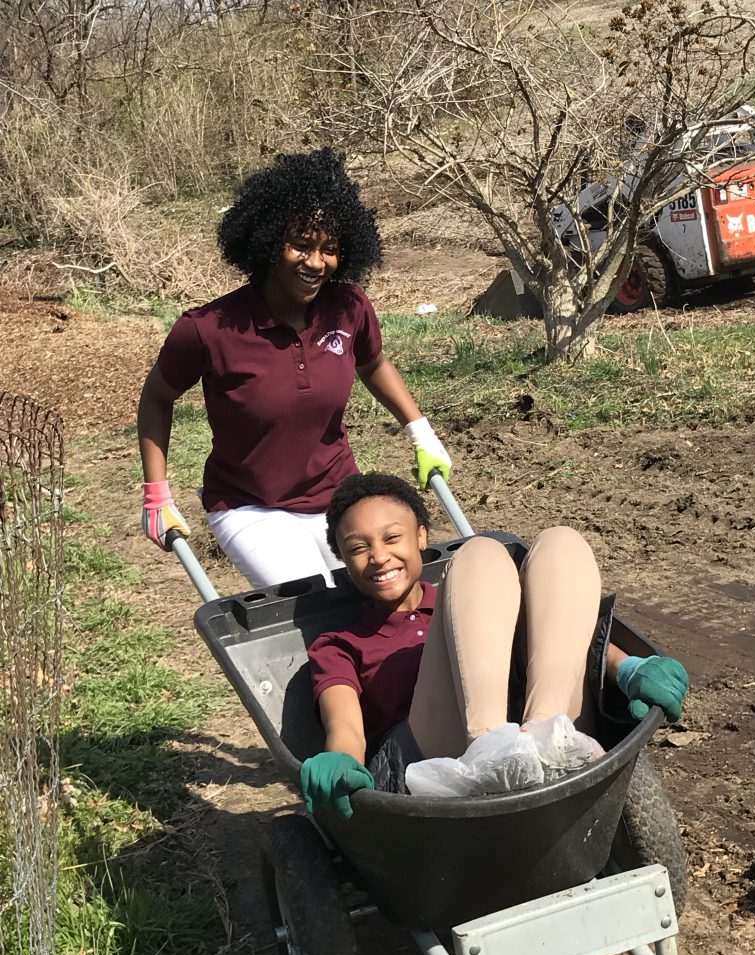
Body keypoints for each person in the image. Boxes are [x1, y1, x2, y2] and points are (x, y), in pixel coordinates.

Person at [137, 148, 451, 589]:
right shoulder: (209, 329)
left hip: (339, 493)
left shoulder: (348, 308)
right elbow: (157, 397)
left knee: (381, 593)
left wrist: (420, 432)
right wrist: (156, 493)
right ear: (266, 242)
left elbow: (373, 362)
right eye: (301, 245)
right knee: (315, 601)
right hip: (251, 506)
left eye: (330, 249)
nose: (316, 262)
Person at [301, 472, 689, 817]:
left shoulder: (481, 597)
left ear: (421, 535)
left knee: (560, 543)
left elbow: (557, 635)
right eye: (358, 548)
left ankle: (548, 734)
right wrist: (340, 759)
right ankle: (490, 745)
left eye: (392, 537)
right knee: (481, 554)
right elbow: (346, 726)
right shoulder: (339, 644)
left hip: (535, 728)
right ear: (343, 560)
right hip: (423, 771)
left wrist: (626, 668)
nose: (379, 556)